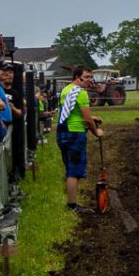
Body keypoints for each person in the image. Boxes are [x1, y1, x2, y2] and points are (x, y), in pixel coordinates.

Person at [56, 65, 103, 211]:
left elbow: (71, 111)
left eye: (91, 77)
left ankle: (72, 202)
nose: (89, 80)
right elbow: (87, 120)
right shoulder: (81, 93)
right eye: (87, 77)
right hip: (75, 133)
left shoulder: (66, 90)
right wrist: (97, 132)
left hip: (62, 132)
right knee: (74, 171)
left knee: (69, 167)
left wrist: (91, 117)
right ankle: (72, 205)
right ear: (77, 78)